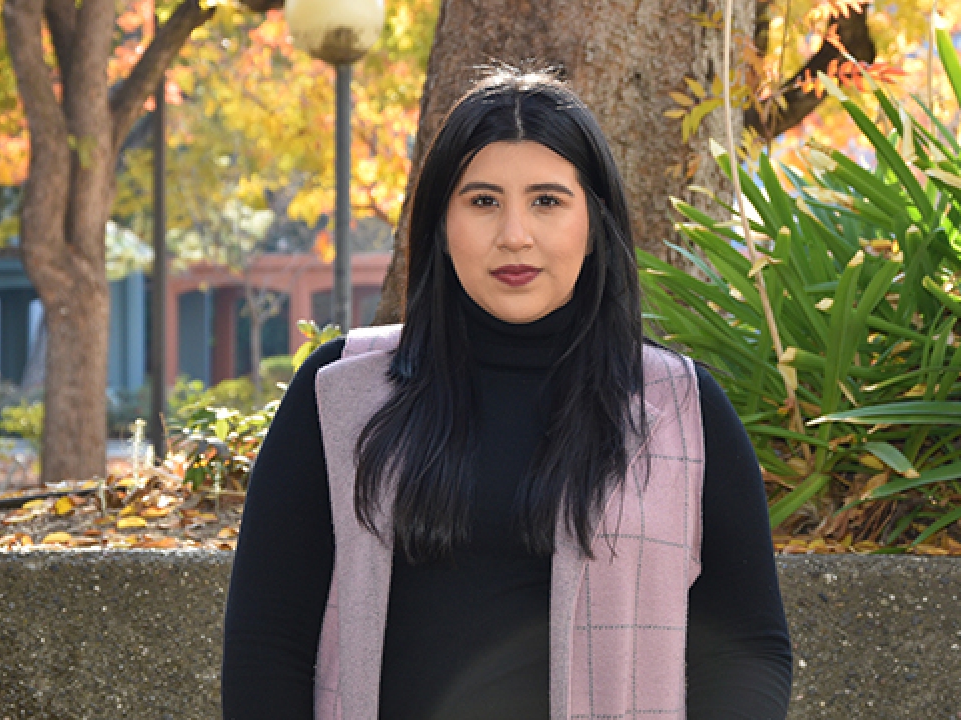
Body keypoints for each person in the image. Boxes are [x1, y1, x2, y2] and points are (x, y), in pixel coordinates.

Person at [221, 68, 792, 720]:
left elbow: (748, 646)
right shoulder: (339, 395)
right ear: (441, 222)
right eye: (483, 201)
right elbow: (267, 642)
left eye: (547, 201)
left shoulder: (682, 410)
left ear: (593, 221)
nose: (514, 234)